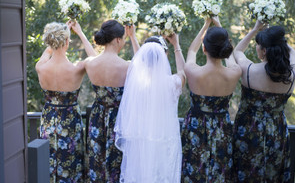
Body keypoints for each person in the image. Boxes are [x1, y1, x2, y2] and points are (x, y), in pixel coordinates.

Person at [233, 20, 295, 182]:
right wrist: (279, 41)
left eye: (258, 45)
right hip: (276, 133)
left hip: (247, 133)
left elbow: (237, 50)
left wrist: (255, 29)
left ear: (263, 51)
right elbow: (294, 55)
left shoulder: (249, 71)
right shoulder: (292, 77)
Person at [73, 20, 139, 182]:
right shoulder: (128, 66)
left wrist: (81, 34)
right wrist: (133, 37)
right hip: (119, 120)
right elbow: (142, 63)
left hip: (97, 117)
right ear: (117, 40)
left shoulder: (90, 63)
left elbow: (93, 57)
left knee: (97, 161)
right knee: (117, 164)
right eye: (123, 38)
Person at [114, 33, 185, 183]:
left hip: (141, 139)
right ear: (164, 56)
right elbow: (183, 72)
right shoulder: (173, 83)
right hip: (165, 138)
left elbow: (138, 64)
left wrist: (134, 38)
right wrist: (176, 46)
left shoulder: (137, 85)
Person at [181, 16, 242, 182]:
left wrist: (205, 25)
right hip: (221, 128)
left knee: (193, 172)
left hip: (196, 127)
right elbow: (231, 57)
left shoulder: (193, 71)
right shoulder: (235, 72)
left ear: (204, 48)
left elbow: (191, 51)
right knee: (219, 172)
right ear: (226, 48)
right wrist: (220, 27)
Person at [36, 21, 96, 182]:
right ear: (67, 42)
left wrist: (59, 34)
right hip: (70, 123)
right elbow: (95, 59)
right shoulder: (77, 68)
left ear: (50, 42)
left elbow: (48, 52)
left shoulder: (40, 67)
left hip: (49, 119)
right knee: (71, 162)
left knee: (49, 160)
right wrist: (80, 33)